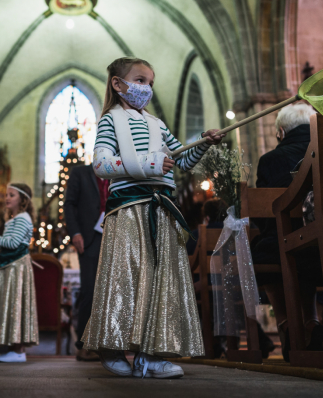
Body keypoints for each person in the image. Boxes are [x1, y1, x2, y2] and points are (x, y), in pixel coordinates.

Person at [81, 57, 224, 379]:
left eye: (150, 83)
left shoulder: (158, 125)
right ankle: (112, 346)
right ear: (118, 84)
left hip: (162, 208)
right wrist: (148, 164)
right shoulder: (110, 120)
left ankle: (153, 355)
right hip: (129, 208)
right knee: (126, 278)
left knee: (163, 282)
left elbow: (181, 160)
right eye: (140, 80)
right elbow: (101, 165)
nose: (146, 88)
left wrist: (204, 142)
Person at [249, 103, 323, 361]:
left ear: (281, 132)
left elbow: (265, 215)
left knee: (267, 250)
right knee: (307, 250)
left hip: (287, 243)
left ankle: (286, 323)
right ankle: (312, 323)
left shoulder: (271, 160)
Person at [0, 183, 38, 363]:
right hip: (10, 266)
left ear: (23, 200)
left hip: (16, 268)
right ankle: (14, 349)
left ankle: (18, 351)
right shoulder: (16, 219)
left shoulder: (22, 218)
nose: (7, 198)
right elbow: (8, 242)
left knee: (15, 304)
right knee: (12, 305)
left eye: (12, 195)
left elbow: (12, 244)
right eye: (6, 195)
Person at [64, 163, 109, 362]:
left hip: (114, 236)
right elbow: (69, 203)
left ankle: (108, 345)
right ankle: (83, 345)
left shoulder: (117, 173)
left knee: (111, 292)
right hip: (89, 238)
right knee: (89, 291)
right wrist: (75, 233)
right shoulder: (80, 173)